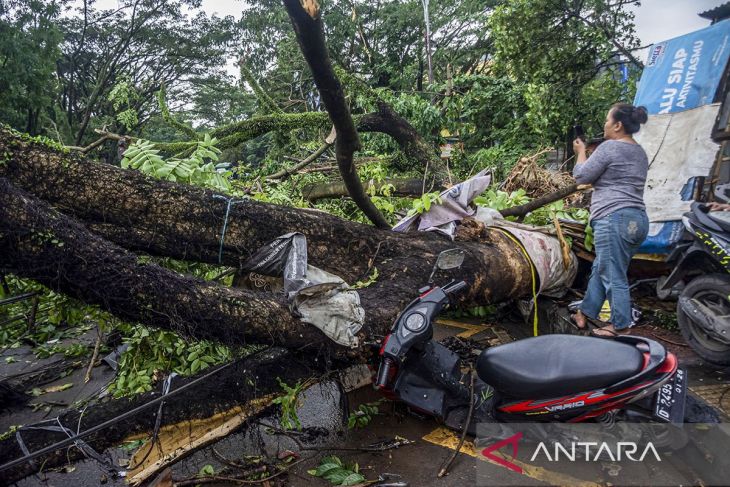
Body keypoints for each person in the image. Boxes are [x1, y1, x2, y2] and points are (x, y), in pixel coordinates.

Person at [572, 104, 650, 337]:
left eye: (607, 120)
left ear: (618, 125)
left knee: (612, 273)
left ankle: (620, 325)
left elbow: (581, 176)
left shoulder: (610, 147)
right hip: (636, 220)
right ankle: (585, 312)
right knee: (602, 267)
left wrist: (581, 151)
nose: (605, 124)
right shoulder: (640, 152)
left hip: (613, 218)